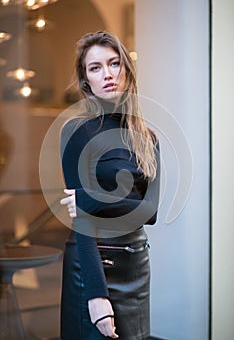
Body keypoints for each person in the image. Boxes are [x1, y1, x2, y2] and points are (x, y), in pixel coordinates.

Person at [60, 31, 160, 340]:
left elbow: (151, 211)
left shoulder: (149, 138)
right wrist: (96, 295)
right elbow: (83, 221)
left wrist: (90, 198)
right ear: (86, 80)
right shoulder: (76, 132)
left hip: (135, 264)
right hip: (91, 265)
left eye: (114, 63)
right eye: (95, 67)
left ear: (127, 71)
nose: (107, 74)